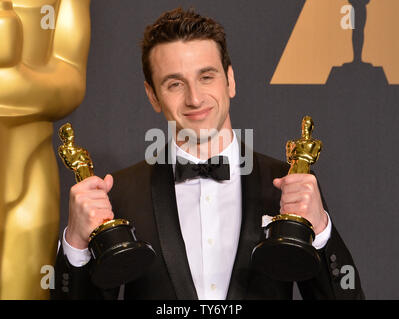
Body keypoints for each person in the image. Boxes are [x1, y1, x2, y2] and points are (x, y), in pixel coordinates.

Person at [52, 7, 364, 300]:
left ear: (230, 80)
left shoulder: (289, 183)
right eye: (175, 84)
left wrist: (321, 231)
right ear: (153, 96)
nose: (195, 98)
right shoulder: (117, 194)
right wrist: (76, 247)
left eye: (206, 76)